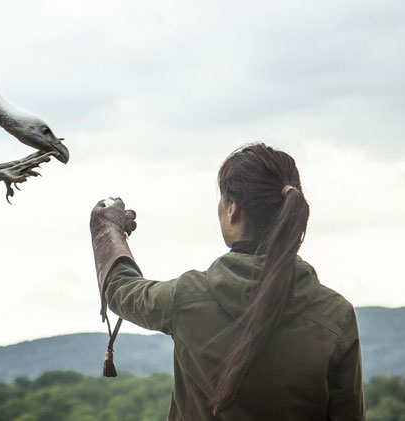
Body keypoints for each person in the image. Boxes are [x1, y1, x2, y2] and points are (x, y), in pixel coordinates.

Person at [89, 143, 364, 420]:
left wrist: (107, 231)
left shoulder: (186, 298)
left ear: (232, 208)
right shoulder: (335, 314)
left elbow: (121, 291)